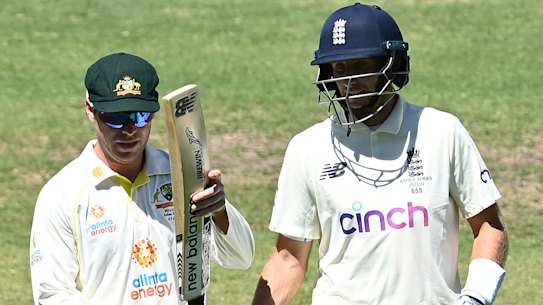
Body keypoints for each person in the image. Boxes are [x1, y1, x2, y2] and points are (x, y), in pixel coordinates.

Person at [251, 3, 508, 305]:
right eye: (340, 68)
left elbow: (489, 227)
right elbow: (289, 259)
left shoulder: (442, 132)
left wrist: (477, 298)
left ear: (392, 64)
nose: (349, 82)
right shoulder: (307, 148)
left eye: (361, 65)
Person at [29, 52, 255, 305]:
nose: (129, 130)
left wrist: (219, 211)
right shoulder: (62, 193)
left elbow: (241, 257)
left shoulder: (181, 175)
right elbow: (52, 294)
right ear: (91, 110)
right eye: (115, 118)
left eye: (140, 116)